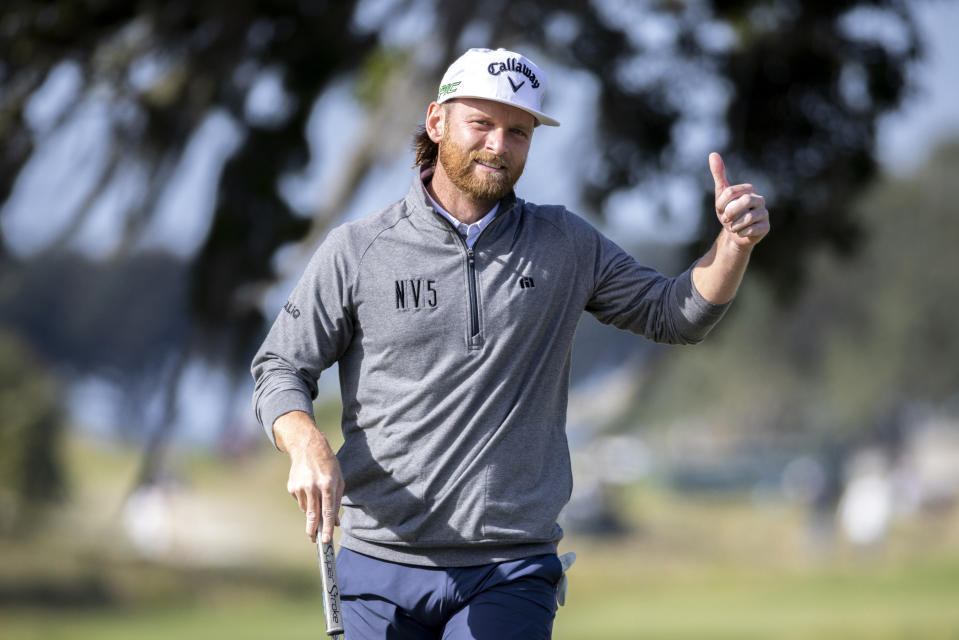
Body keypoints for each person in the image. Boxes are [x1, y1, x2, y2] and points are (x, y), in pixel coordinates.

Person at [251, 47, 769, 639]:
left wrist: (733, 245)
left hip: (510, 566)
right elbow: (279, 366)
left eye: (518, 132)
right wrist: (306, 442)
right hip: (379, 561)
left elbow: (675, 315)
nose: (499, 144)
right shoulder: (359, 249)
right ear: (436, 121)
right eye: (483, 124)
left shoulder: (566, 243)